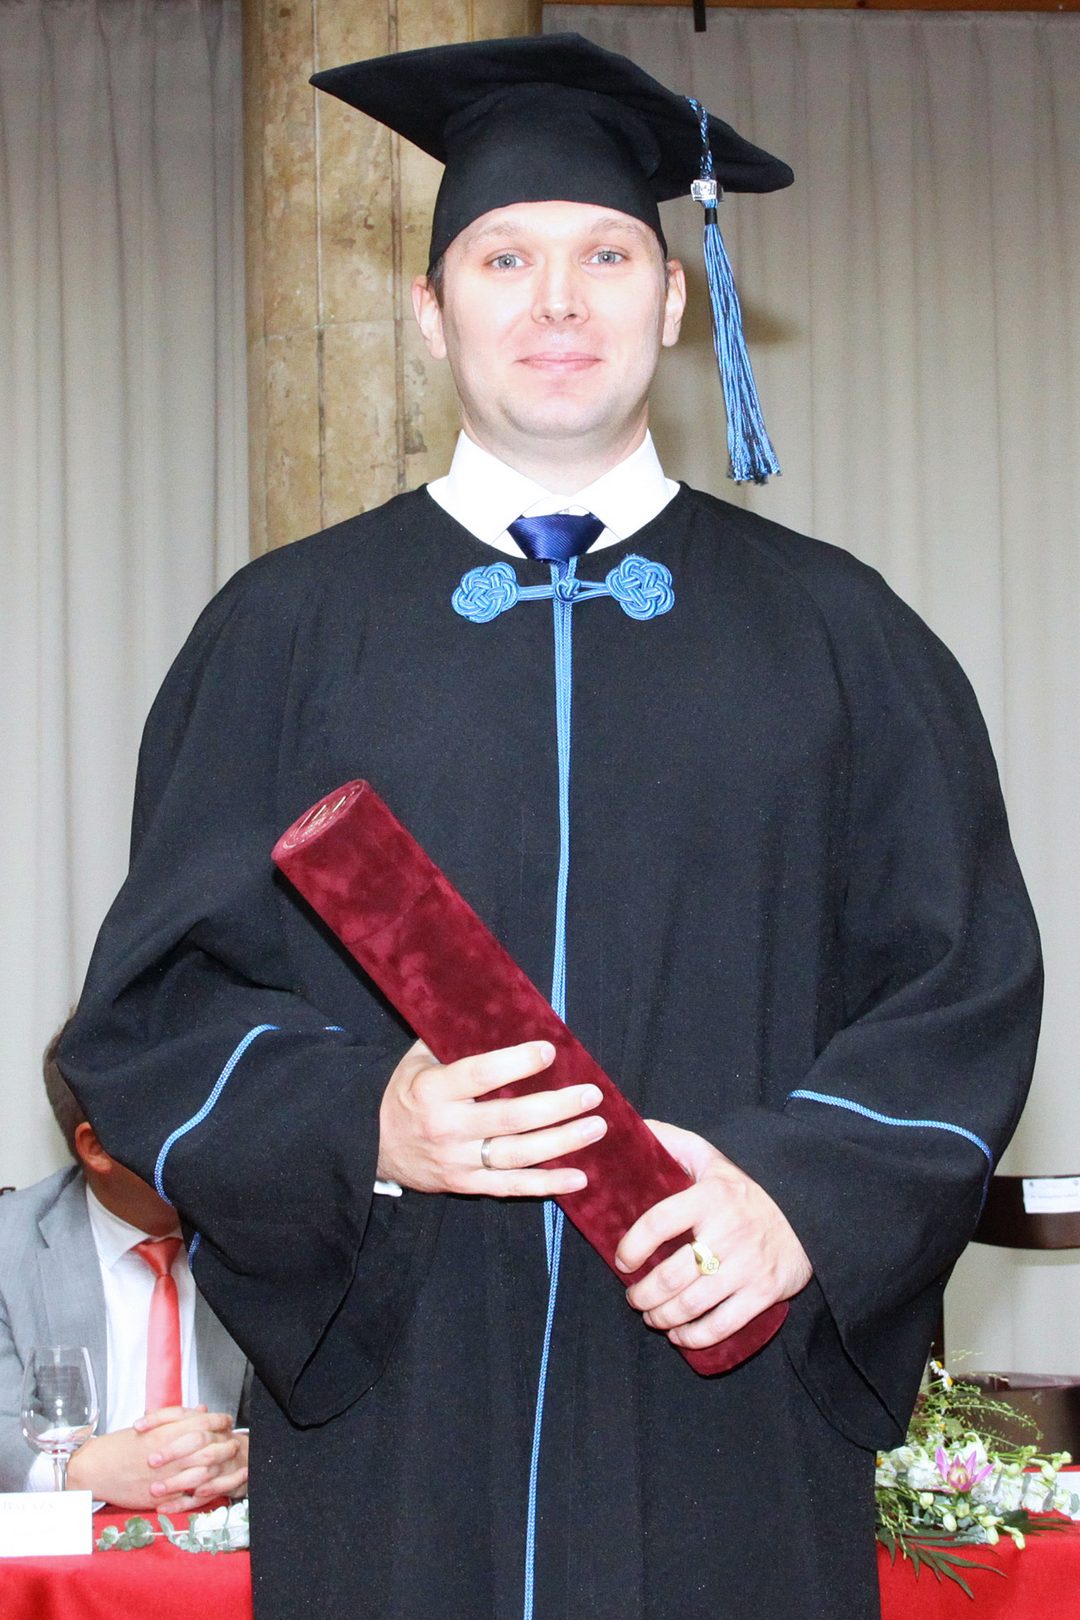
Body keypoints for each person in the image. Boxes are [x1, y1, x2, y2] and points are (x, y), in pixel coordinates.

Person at [59, 33, 1040, 1620]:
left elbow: (962, 987)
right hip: (403, 1421)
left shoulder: (840, 636)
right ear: (429, 310)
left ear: (675, 300)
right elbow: (153, 1017)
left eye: (606, 256)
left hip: (726, 1409)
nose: (559, 302)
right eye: (504, 258)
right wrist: (365, 1123)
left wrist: (801, 1197)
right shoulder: (283, 632)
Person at [0, 1027, 249, 1508]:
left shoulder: (265, 1233)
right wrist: (81, 1470)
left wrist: (245, 1457)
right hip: (73, 1550)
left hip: (231, 1544)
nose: (210, 1131)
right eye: (183, 1115)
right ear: (96, 1147)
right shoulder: (10, 1244)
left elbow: (320, 1409)